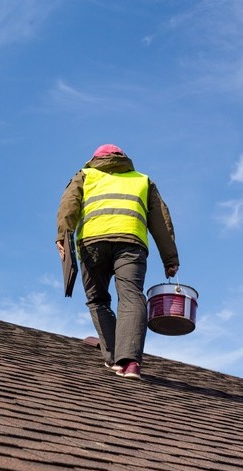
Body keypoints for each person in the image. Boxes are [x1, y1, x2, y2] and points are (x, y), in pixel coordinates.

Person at [56, 144, 179, 380]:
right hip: (131, 244)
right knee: (132, 296)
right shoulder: (142, 180)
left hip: (92, 244)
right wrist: (170, 259)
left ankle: (113, 356)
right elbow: (161, 222)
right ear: (124, 159)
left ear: (95, 159)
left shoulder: (85, 174)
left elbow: (68, 206)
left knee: (98, 299)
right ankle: (130, 362)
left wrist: (62, 235)